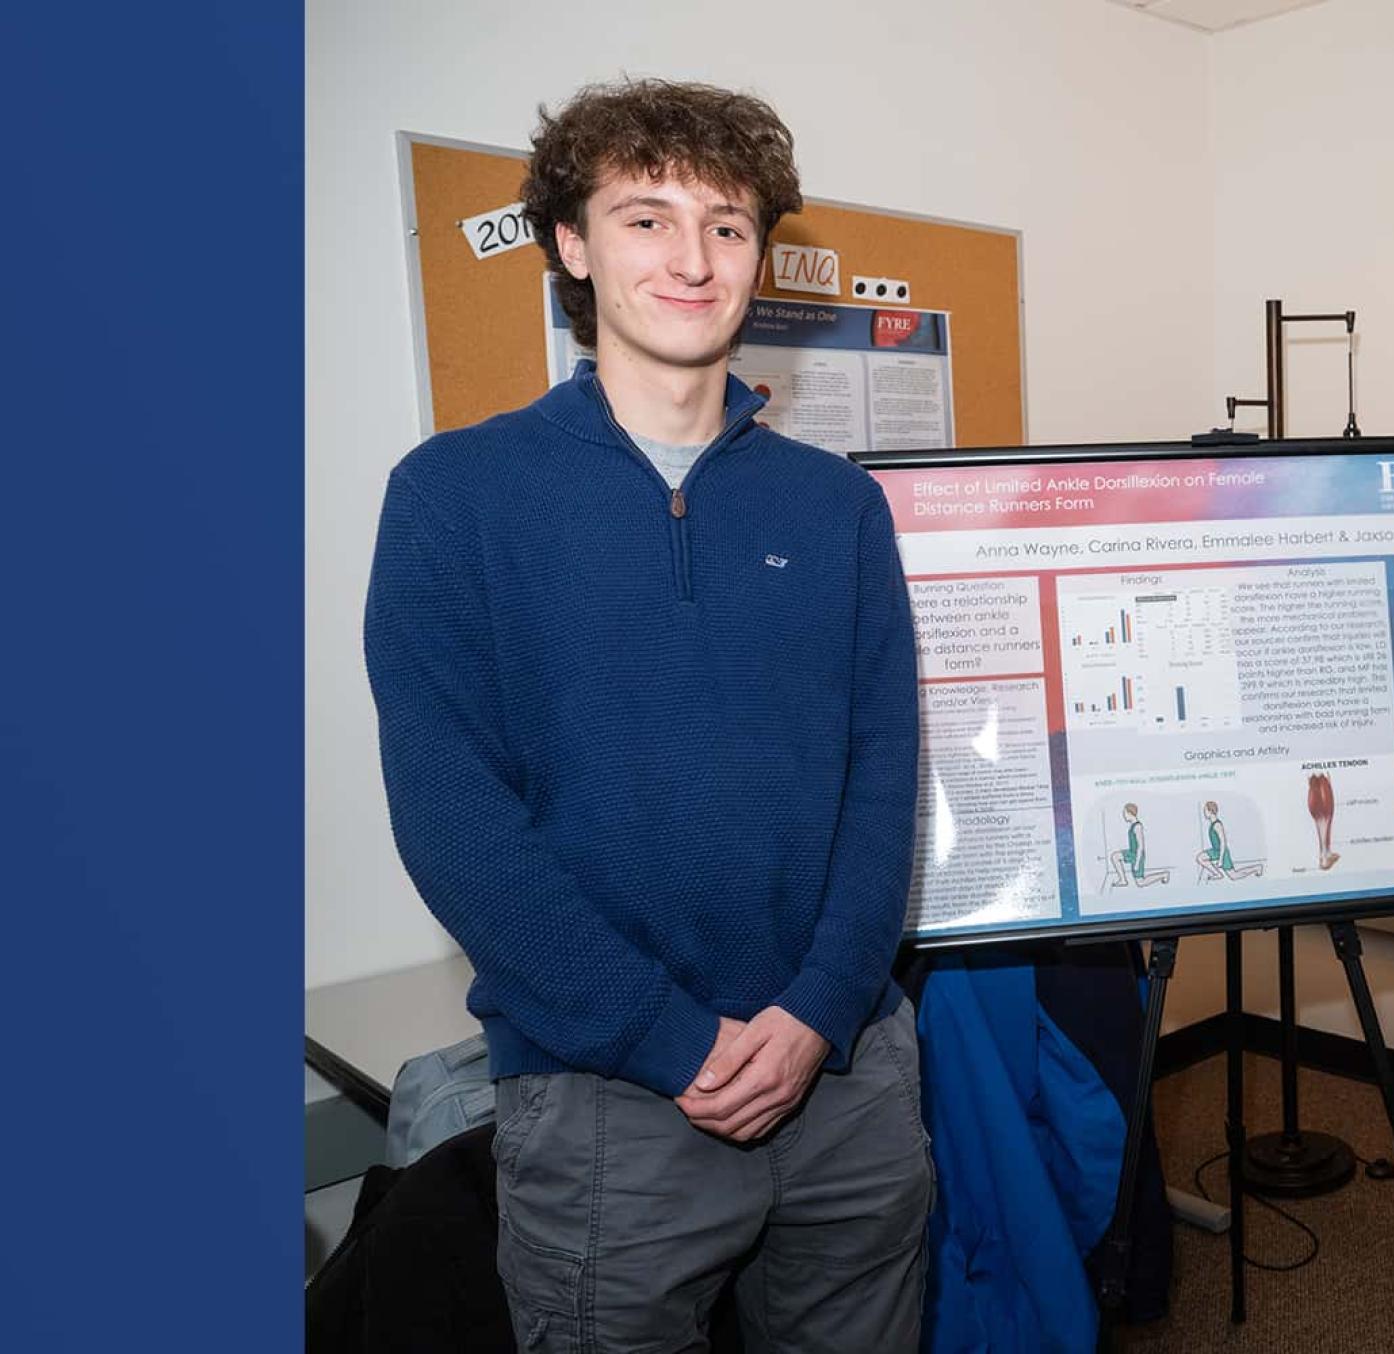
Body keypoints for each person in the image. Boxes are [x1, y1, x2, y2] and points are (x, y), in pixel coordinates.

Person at [363, 78, 931, 1351]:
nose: (692, 258)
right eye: (645, 218)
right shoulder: (455, 496)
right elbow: (452, 816)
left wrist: (822, 1009)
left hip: (845, 1069)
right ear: (570, 244)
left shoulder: (835, 507)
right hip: (606, 1088)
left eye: (727, 225)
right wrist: (664, 1037)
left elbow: (882, 771)